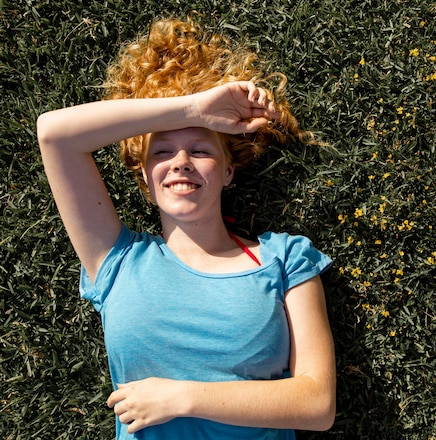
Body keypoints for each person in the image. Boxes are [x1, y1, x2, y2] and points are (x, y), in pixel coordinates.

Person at [37, 15, 335, 440]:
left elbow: (316, 404)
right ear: (143, 174)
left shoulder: (284, 259)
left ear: (229, 171)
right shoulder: (115, 259)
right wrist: (194, 109)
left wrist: (182, 398)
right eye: (161, 151)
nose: (180, 162)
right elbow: (54, 135)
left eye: (199, 149)